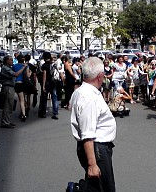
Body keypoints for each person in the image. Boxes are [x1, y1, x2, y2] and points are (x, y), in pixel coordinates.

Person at [70, 57, 116, 192]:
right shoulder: (88, 97)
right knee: (104, 188)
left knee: (96, 187)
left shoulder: (83, 91)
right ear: (100, 76)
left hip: (97, 148)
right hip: (97, 149)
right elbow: (87, 134)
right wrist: (92, 164)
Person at [0, 55, 27, 128]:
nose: (12, 61)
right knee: (8, 105)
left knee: (9, 105)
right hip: (8, 87)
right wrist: (23, 68)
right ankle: (5, 122)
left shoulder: (9, 68)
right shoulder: (5, 68)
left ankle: (7, 121)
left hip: (11, 87)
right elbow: (16, 74)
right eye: (11, 60)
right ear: (6, 61)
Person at [38, 52, 59, 120]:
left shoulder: (44, 65)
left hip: (47, 82)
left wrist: (43, 85)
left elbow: (44, 75)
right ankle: (55, 113)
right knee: (54, 98)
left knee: (44, 98)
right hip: (53, 82)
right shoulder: (53, 64)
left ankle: (43, 112)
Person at [13, 55, 29, 122]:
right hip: (25, 83)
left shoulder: (14, 66)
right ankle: (23, 111)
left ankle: (23, 114)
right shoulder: (26, 66)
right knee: (23, 99)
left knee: (21, 99)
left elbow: (13, 75)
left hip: (18, 83)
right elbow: (28, 76)